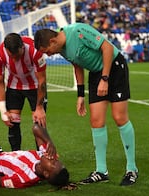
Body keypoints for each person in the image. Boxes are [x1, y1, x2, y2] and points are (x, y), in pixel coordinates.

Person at [34, 23, 138, 186]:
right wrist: (80, 95)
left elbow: (108, 48)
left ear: (53, 41)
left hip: (114, 67)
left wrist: (105, 79)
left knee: (119, 118)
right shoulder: (61, 48)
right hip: (96, 73)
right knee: (96, 121)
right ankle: (101, 171)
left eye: (47, 51)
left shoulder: (78, 31)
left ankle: (132, 169)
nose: (48, 55)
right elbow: (77, 65)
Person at [0, 33, 47, 151]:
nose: (14, 59)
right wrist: (3, 110)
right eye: (11, 56)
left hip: (35, 87)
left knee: (39, 123)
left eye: (17, 56)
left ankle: (42, 156)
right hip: (14, 87)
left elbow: (42, 80)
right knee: (13, 123)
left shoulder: (35, 50)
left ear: (22, 47)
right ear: (6, 50)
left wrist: (39, 107)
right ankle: (16, 155)